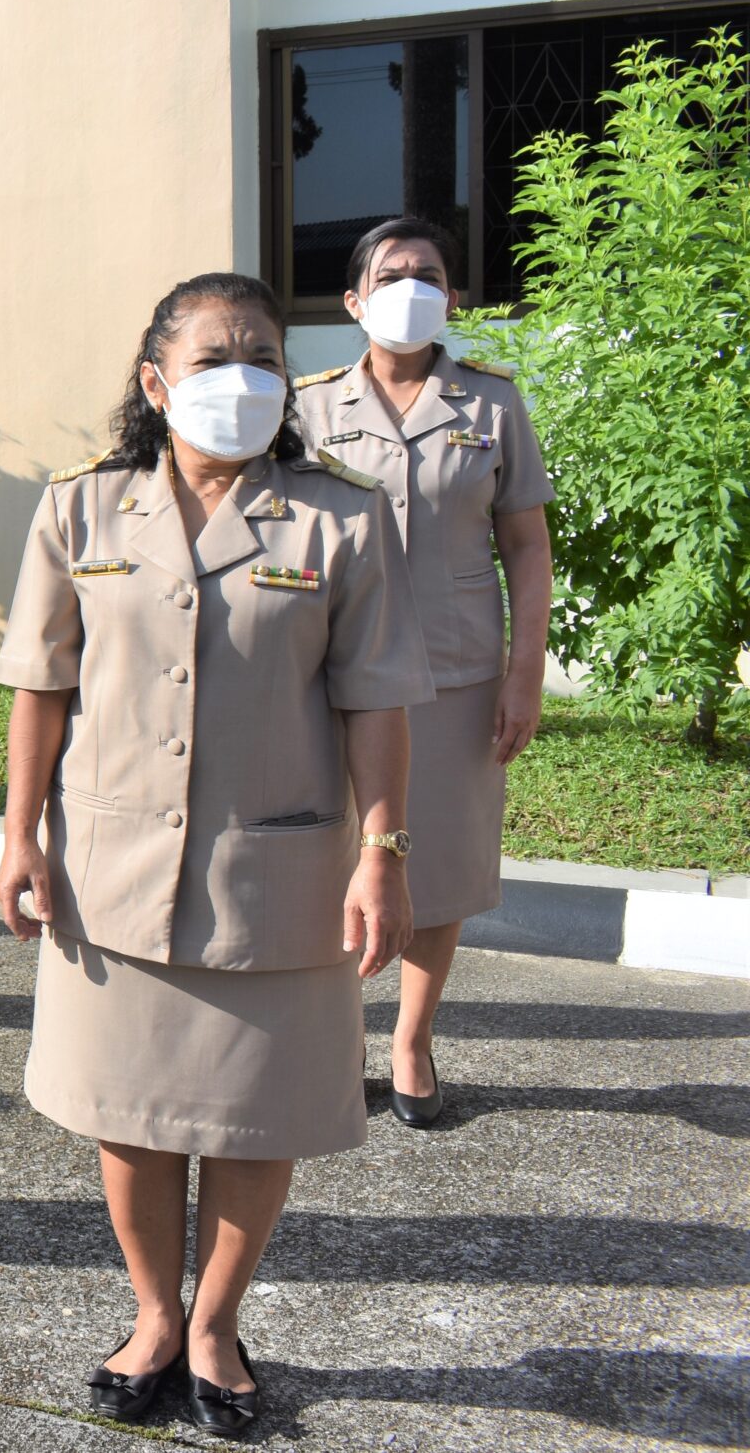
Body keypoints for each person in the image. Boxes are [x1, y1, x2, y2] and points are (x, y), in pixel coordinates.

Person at [0, 272, 432, 1436]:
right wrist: (20, 833)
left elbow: (377, 702)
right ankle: (152, 1312)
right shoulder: (82, 508)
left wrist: (381, 851)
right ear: (155, 382)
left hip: (274, 875)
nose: (241, 379)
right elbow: (40, 687)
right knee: (128, 1112)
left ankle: (216, 1326)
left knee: (252, 1115)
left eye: (262, 357)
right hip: (111, 868)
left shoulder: (340, 517)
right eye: (211, 359)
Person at [294, 218, 555, 1128]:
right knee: (327, 856)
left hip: (456, 675)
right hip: (331, 673)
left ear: (453, 295)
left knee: (434, 861)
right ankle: (332, 1041)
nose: (411, 286)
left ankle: (411, 1039)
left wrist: (526, 671)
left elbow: (527, 545)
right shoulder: (310, 407)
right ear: (355, 300)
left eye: (428, 273)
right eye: (391, 274)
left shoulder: (493, 403)